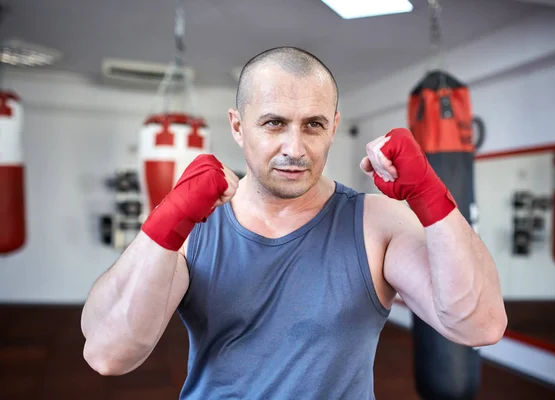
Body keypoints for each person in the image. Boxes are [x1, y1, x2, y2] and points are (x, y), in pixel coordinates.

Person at [81, 46, 507, 398]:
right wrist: (166, 223)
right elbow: (109, 355)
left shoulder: (376, 223)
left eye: (313, 125)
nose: (294, 147)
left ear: (334, 127)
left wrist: (432, 197)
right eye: (274, 123)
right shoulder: (195, 229)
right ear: (237, 126)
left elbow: (481, 325)